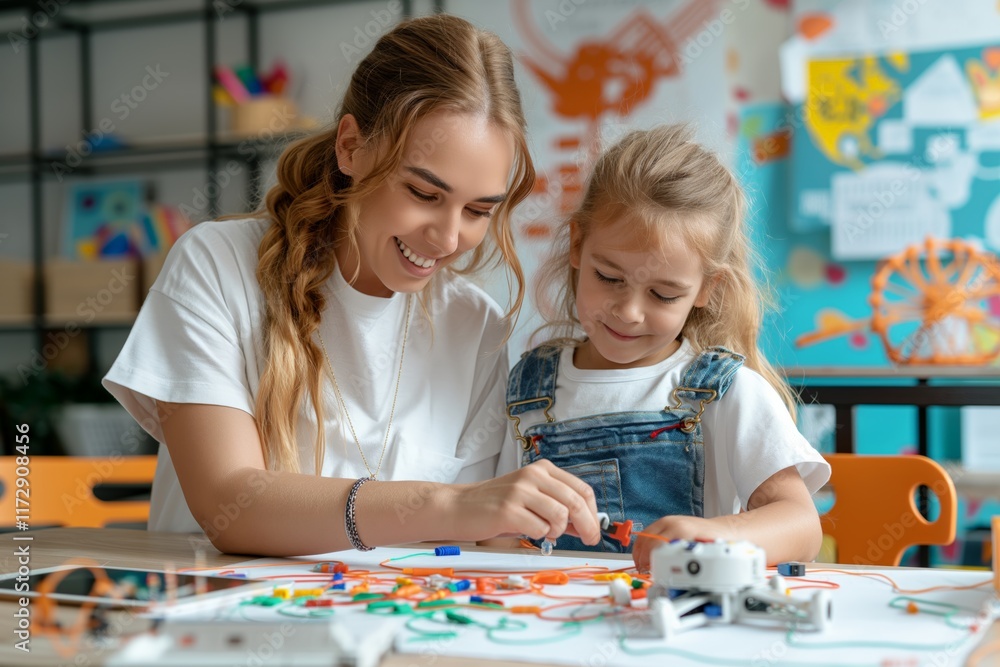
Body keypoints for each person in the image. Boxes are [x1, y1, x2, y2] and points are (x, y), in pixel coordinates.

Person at [103, 14, 602, 557]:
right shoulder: (216, 265)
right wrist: (449, 505)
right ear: (350, 146)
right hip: (214, 606)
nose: (447, 237)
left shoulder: (474, 324)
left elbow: (476, 545)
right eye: (424, 194)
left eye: (479, 210)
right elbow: (231, 505)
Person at [501, 125, 830, 570]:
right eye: (609, 278)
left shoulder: (727, 392)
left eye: (663, 294)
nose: (629, 312)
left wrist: (719, 536)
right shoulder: (526, 388)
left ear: (706, 288)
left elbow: (802, 527)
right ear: (577, 244)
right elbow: (497, 536)